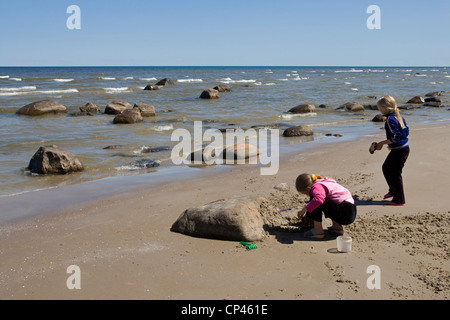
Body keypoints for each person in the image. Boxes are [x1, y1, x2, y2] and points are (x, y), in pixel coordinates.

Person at [371, 96, 410, 206]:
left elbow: (396, 137)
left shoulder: (390, 120)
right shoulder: (398, 116)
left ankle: (399, 200)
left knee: (396, 173)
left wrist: (382, 143)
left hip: (400, 150)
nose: (379, 110)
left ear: (384, 108)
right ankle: (393, 191)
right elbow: (406, 132)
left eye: (379, 108)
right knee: (386, 168)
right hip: (402, 148)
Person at [295, 173, 357, 239]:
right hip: (350, 210)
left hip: (345, 214)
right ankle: (337, 227)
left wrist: (305, 209)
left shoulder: (316, 186)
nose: (307, 195)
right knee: (329, 198)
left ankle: (317, 230)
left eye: (305, 193)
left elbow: (319, 200)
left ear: (308, 188)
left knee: (315, 200)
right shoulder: (324, 181)